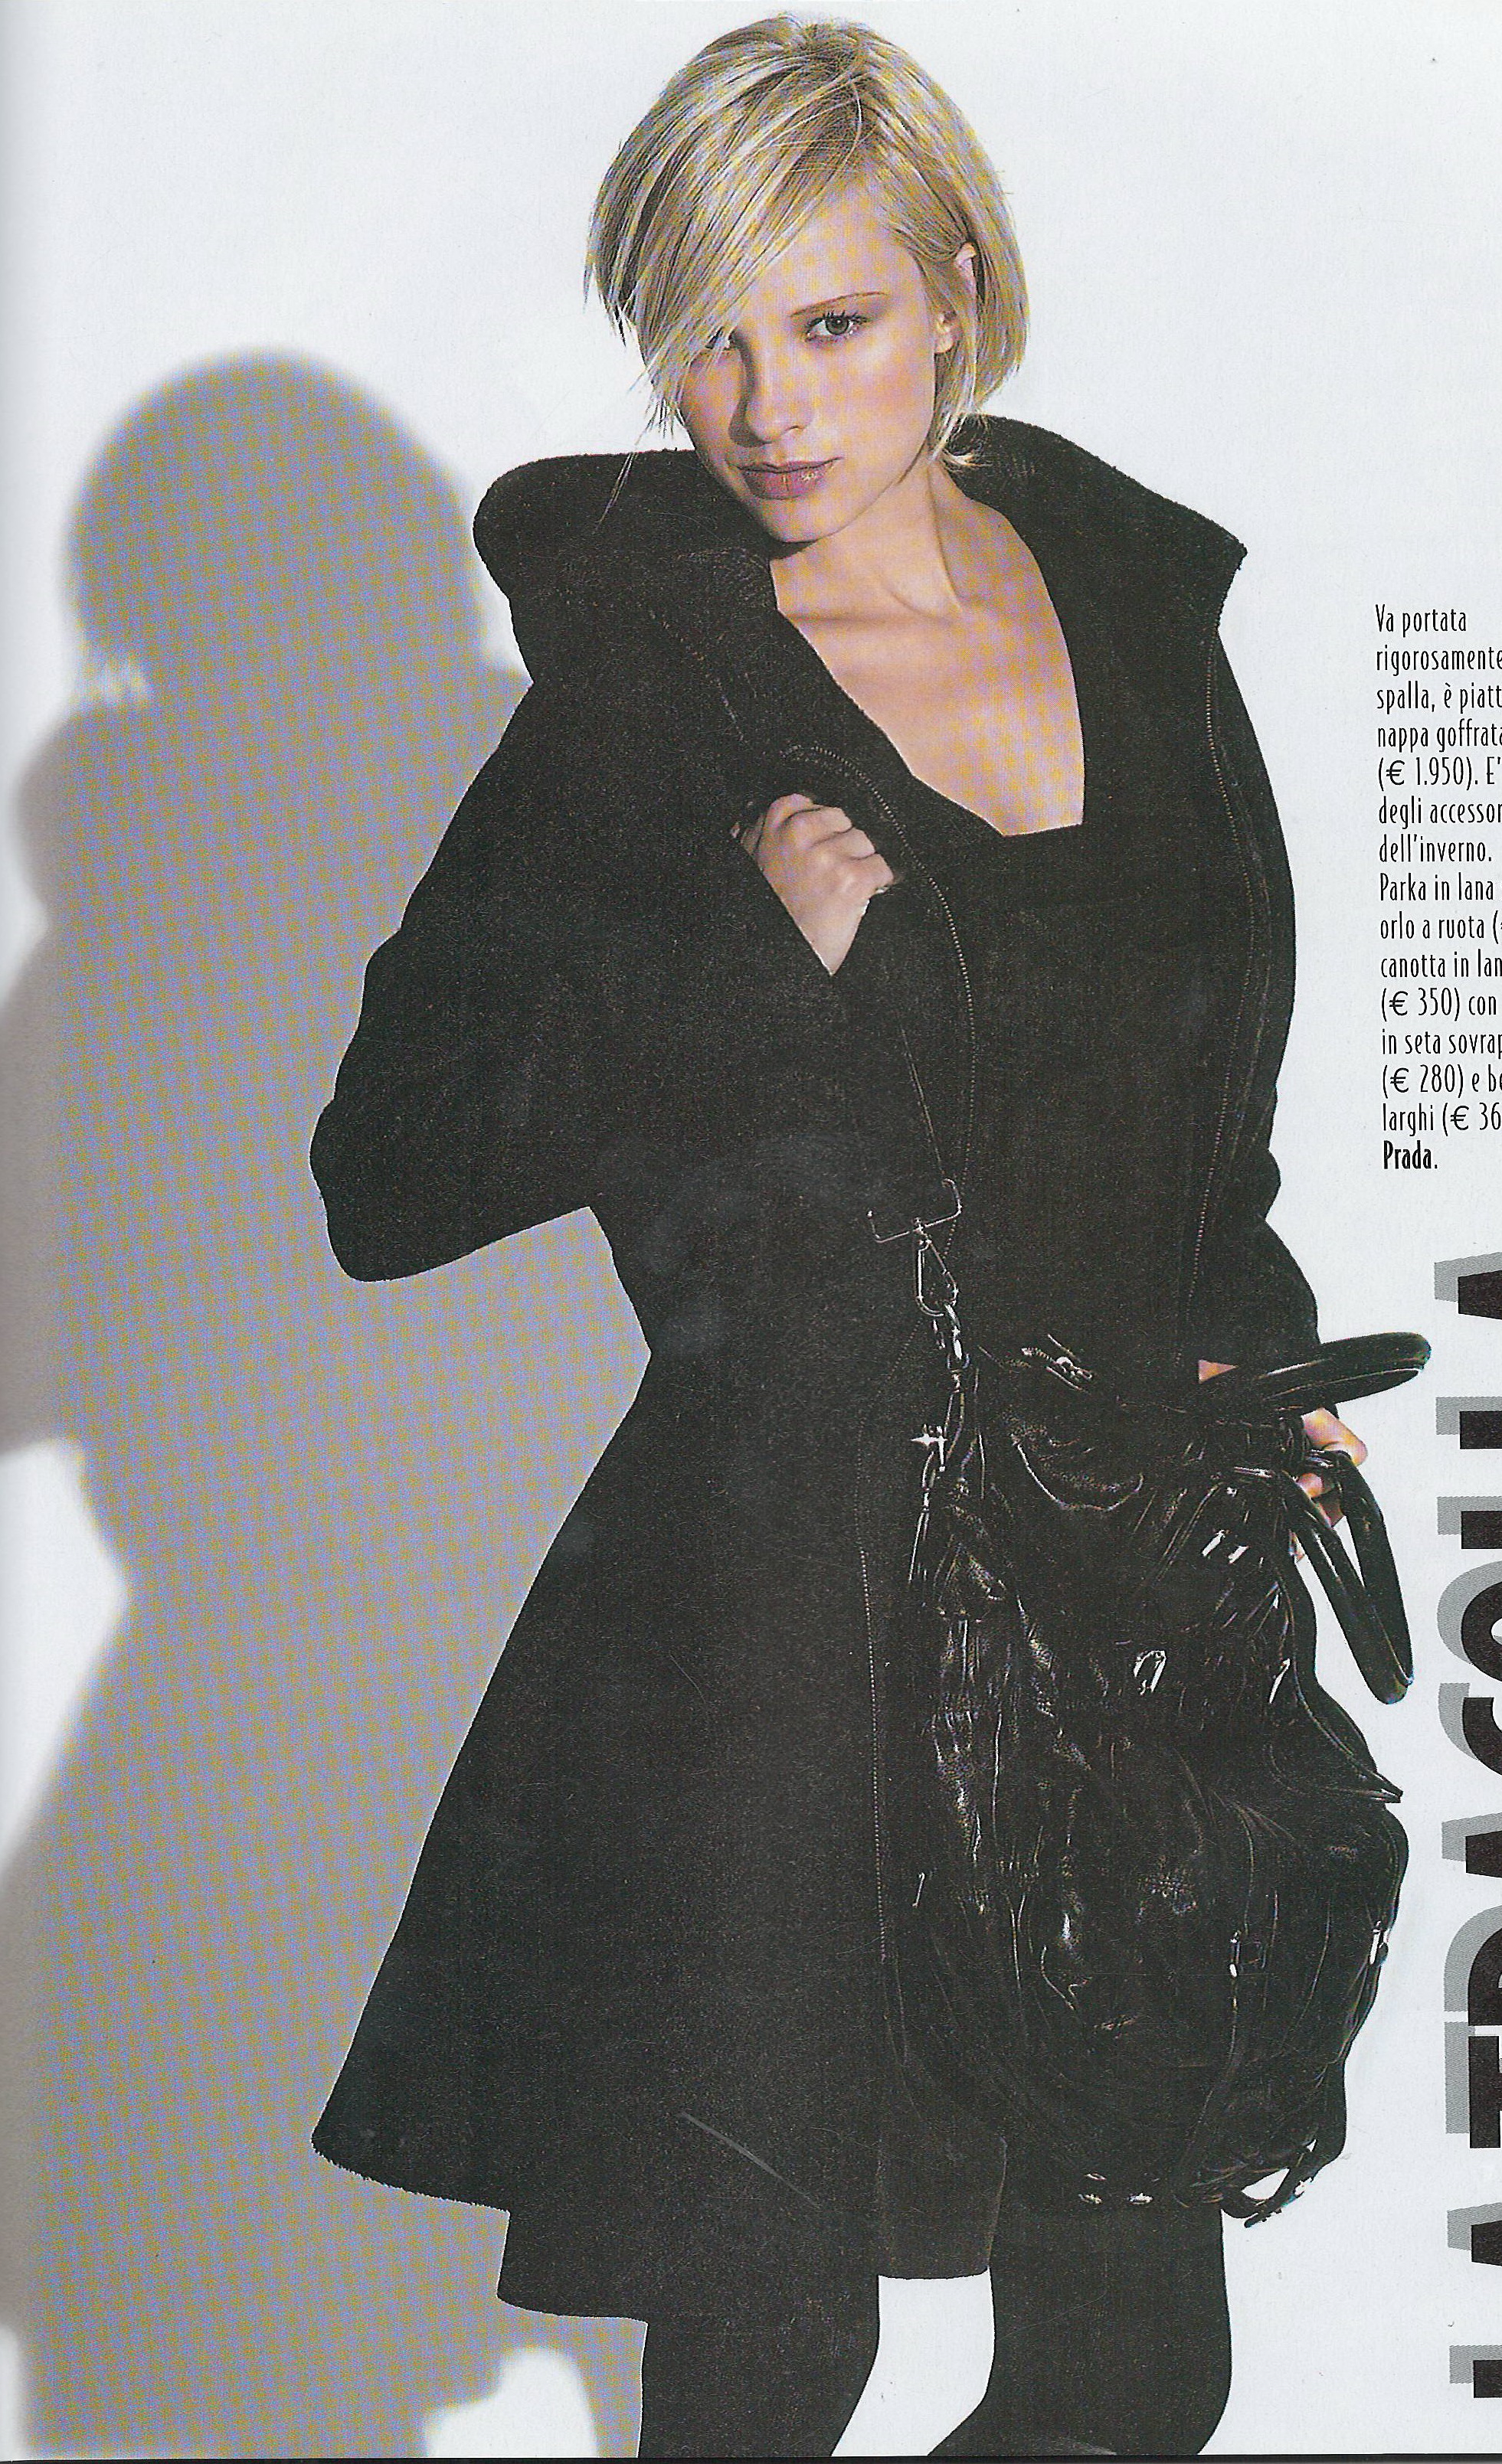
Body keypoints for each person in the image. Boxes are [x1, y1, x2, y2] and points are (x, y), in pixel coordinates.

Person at [310, 17, 1364, 2454]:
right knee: (775, 2355)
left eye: (829, 321)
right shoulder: (645, 699)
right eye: (700, 335)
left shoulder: (1132, 606)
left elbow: (1198, 1107)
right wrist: (729, 973)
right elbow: (387, 1171)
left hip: (1112, 1586)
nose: (763, 404)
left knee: (1131, 2371)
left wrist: (1257, 1371)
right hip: (778, 1612)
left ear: (956, 290)